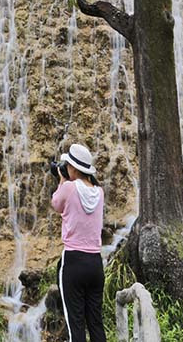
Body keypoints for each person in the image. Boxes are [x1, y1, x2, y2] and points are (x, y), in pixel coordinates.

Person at [51, 143, 105, 342]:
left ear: (73, 168)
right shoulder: (100, 192)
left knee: (76, 326)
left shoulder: (68, 188)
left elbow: (56, 204)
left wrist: (61, 181)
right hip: (95, 264)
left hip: (73, 262)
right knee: (95, 323)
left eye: (68, 165)